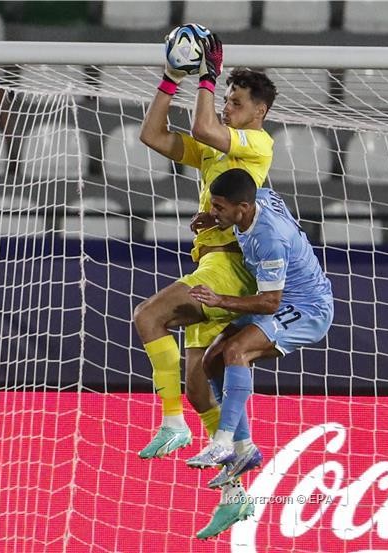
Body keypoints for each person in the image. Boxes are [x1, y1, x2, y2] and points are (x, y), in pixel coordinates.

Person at [134, 29, 276, 534]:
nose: (226, 108)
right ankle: (236, 490)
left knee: (148, 315)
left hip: (230, 264)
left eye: (235, 103)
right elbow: (152, 136)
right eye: (226, 100)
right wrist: (172, 78)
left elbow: (204, 124)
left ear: (258, 111)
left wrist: (208, 77)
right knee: (199, 386)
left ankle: (171, 423)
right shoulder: (213, 151)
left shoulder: (255, 143)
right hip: (207, 261)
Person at [185, 168, 334, 537]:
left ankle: (224, 443)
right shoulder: (257, 201)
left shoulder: (268, 238)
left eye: (220, 207)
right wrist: (215, 220)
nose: (215, 211)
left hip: (308, 308)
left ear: (243, 207)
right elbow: (253, 201)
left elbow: (270, 302)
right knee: (211, 361)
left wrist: (219, 299)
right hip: (285, 298)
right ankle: (245, 448)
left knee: (236, 350)